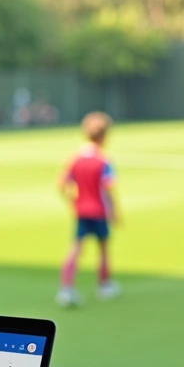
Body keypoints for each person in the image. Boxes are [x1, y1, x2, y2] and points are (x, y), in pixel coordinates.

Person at [57, 111, 120, 307]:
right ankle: (104, 285)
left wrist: (71, 200)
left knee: (76, 249)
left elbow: (61, 183)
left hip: (82, 210)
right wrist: (114, 210)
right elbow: (108, 188)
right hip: (99, 211)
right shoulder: (103, 161)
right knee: (102, 250)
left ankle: (66, 289)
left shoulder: (75, 158)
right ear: (103, 136)